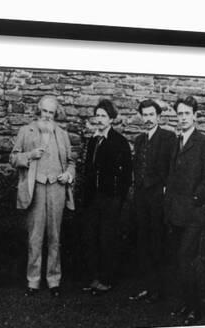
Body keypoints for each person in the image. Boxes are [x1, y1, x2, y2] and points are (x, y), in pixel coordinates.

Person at [10, 95, 75, 297]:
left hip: (57, 188)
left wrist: (68, 174)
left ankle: (54, 280)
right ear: (39, 110)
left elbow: (71, 162)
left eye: (51, 112)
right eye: (45, 111)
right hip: (35, 187)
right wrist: (29, 156)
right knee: (35, 236)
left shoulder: (62, 134)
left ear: (56, 114)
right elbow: (13, 158)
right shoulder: (26, 131)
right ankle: (33, 280)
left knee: (55, 236)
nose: (47, 116)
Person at [164, 96, 205, 325]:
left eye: (186, 114)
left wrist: (195, 199)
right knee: (178, 259)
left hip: (193, 213)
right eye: (179, 114)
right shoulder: (176, 141)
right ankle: (185, 302)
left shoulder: (204, 142)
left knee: (188, 259)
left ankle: (196, 308)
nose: (182, 118)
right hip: (175, 212)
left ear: (195, 116)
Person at [81, 99, 132, 295]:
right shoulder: (94, 140)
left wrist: (118, 198)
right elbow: (89, 170)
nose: (100, 119)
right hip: (93, 199)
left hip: (110, 199)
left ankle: (107, 279)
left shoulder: (119, 142)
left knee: (107, 239)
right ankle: (95, 277)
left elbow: (126, 174)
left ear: (111, 119)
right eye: (98, 115)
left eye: (104, 116)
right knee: (92, 237)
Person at [129, 99, 176, 304]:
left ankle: (160, 289)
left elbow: (171, 167)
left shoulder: (168, 137)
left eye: (151, 115)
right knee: (144, 241)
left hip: (158, 197)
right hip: (141, 198)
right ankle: (146, 287)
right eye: (144, 115)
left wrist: (165, 190)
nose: (147, 119)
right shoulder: (139, 140)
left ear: (158, 117)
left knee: (158, 241)